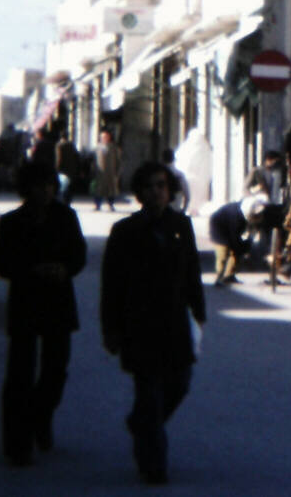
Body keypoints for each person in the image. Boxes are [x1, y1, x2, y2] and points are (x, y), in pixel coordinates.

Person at [101, 162, 206, 485]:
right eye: (149, 186)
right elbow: (111, 286)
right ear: (140, 193)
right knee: (149, 394)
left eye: (161, 185)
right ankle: (153, 464)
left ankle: (142, 423)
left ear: (169, 190)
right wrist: (112, 329)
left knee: (180, 384)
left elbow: (192, 275)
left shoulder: (181, 226)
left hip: (175, 324)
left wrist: (199, 314)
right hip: (140, 327)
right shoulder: (124, 232)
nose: (157, 191)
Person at [0, 160, 87, 465]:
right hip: (25, 305)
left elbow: (78, 256)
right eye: (38, 185)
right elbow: (1, 265)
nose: (45, 191)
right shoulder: (11, 223)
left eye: (49, 185)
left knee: (55, 373)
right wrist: (32, 271)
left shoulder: (66, 218)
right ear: (26, 188)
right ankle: (17, 444)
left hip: (58, 304)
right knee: (19, 375)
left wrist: (64, 269)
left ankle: (40, 416)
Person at [207, 195, 249, 288]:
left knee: (235, 253)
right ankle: (219, 278)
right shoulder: (234, 213)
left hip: (230, 228)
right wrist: (238, 247)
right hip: (218, 228)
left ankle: (229, 275)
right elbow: (233, 235)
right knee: (223, 253)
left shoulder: (243, 211)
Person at [94, 131, 123, 211]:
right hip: (100, 173)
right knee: (99, 190)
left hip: (111, 172)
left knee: (111, 190)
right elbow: (94, 160)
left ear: (109, 137)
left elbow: (118, 161)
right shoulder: (97, 147)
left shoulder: (114, 148)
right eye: (102, 137)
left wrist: (117, 172)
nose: (103, 138)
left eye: (105, 137)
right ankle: (97, 205)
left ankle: (111, 205)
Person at [162, 148, 190, 214]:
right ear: (174, 159)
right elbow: (187, 196)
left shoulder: (157, 176)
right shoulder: (180, 175)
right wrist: (183, 211)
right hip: (176, 211)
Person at [55, 135, 80, 204]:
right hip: (71, 169)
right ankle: (68, 201)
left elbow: (58, 158)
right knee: (69, 187)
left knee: (62, 187)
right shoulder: (72, 145)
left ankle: (61, 201)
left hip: (62, 169)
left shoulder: (59, 145)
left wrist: (57, 168)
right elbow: (77, 156)